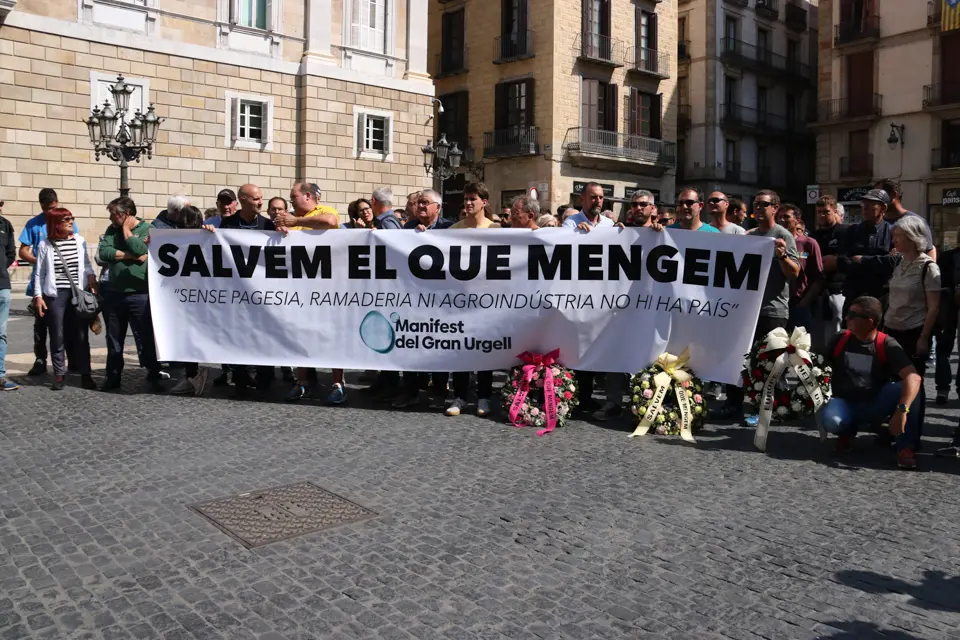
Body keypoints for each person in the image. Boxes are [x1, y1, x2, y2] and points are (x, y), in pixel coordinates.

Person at [713, 189, 800, 421]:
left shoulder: (783, 235)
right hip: (746, 310)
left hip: (773, 310)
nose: (759, 208)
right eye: (756, 205)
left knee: (771, 363)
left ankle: (770, 408)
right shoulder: (748, 236)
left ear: (775, 208)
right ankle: (735, 403)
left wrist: (782, 256)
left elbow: (795, 273)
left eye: (764, 204)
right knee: (738, 359)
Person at [819, 296, 922, 470]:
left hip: (875, 402)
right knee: (831, 420)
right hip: (845, 402)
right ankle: (846, 433)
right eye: (847, 313)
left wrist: (902, 411)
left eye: (852, 315)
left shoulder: (886, 343)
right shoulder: (840, 339)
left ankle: (906, 448)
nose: (846, 318)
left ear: (869, 322)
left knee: (913, 389)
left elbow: (914, 377)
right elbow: (820, 365)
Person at [97, 197, 164, 393]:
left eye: (113, 214)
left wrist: (127, 233)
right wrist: (131, 256)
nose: (110, 218)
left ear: (126, 214)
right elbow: (104, 253)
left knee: (145, 336)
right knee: (114, 338)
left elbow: (142, 249)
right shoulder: (111, 230)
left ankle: (153, 372)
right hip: (114, 293)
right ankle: (113, 376)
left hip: (140, 293)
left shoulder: (147, 229)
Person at [219, 184, 277, 397]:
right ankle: (241, 379)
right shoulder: (227, 224)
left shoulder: (269, 225)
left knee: (264, 335)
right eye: (255, 199)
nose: (260, 202)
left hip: (263, 294)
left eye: (261, 198)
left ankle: (265, 379)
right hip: (238, 294)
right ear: (242, 200)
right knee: (240, 335)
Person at [31, 208, 97, 391]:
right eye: (66, 219)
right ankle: (60, 373)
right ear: (55, 223)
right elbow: (40, 273)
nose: (71, 222)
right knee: (57, 334)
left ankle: (86, 374)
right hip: (55, 294)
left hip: (78, 293)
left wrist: (91, 278)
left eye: (71, 218)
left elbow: (85, 265)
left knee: (81, 335)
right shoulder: (45, 245)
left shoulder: (79, 241)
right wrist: (38, 296)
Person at [446, 183, 498, 417]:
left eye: (473, 199)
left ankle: (484, 397)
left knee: (484, 350)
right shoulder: (454, 229)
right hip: (460, 300)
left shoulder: (497, 229)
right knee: (460, 349)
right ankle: (460, 396)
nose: (468, 203)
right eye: (466, 198)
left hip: (487, 300)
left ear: (484, 202)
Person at [19, 188, 77, 377]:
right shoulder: (33, 224)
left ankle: (72, 358)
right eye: (45, 209)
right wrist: (40, 261)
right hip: (41, 282)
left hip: (63, 283)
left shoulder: (65, 219)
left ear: (57, 203)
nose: (49, 212)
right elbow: (23, 251)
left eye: (52, 208)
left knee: (66, 323)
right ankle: (40, 359)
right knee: (41, 325)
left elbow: (75, 245)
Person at [170, 206, 218, 396]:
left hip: (191, 295)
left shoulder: (180, 238)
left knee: (189, 336)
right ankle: (193, 374)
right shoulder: (176, 239)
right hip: (196, 295)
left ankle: (193, 374)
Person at [836, 189, 897, 316]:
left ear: (883, 208)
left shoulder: (892, 232)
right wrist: (876, 264)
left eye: (870, 205)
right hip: (854, 295)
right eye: (863, 204)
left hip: (880, 297)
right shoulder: (852, 231)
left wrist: (862, 260)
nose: (865, 208)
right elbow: (842, 261)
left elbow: (892, 262)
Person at [777, 203, 823, 332]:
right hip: (778, 303)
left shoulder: (809, 243)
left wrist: (805, 302)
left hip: (799, 303)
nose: (782, 220)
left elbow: (818, 276)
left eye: (786, 217)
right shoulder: (774, 241)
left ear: (797, 220)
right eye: (779, 217)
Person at [811, 195, 849, 350]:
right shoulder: (813, 236)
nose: (821, 215)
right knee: (817, 340)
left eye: (825, 212)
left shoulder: (846, 232)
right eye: (819, 212)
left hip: (837, 291)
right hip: (816, 293)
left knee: (836, 336)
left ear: (835, 212)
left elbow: (846, 259)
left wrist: (834, 261)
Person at [875, 178, 935, 260]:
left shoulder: (916, 222)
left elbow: (929, 252)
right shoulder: (875, 223)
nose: (875, 200)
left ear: (893, 195)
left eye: (878, 196)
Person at [935, 230, 959, 404]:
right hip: (948, 307)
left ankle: (946, 389)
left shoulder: (947, 257)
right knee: (943, 349)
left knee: (944, 350)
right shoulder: (947, 257)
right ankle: (944, 388)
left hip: (948, 307)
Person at [274, 183, 340, 232]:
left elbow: (330, 221)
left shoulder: (325, 211)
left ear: (307, 196)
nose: (291, 201)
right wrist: (280, 232)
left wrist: (295, 221)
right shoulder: (289, 217)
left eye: (294, 197)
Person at [0, 199, 17, 391]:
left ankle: (0, 375)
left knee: (1, 333)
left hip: (2, 286)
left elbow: (11, 253)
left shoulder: (5, 225)